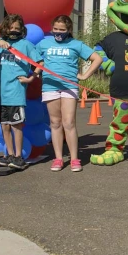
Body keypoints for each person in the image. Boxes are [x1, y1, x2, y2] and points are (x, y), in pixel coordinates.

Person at [36, 15, 103, 172]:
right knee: (55, 123)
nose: (58, 32)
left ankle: (74, 159)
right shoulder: (44, 43)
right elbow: (32, 56)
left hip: (69, 86)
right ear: (52, 29)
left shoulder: (76, 44)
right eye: (56, 29)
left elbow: (97, 59)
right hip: (50, 86)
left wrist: (85, 75)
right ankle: (58, 158)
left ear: (69, 30)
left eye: (62, 30)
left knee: (69, 123)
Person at [0, 14, 43, 170]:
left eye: (17, 28)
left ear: (21, 30)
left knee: (16, 126)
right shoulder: (1, 44)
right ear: (5, 29)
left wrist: (30, 78)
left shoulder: (25, 45)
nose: (14, 30)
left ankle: (19, 157)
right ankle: (9, 155)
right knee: (5, 126)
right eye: (11, 28)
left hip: (16, 93)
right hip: (1, 94)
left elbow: (40, 63)